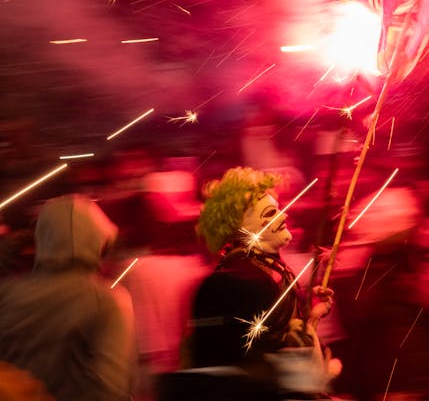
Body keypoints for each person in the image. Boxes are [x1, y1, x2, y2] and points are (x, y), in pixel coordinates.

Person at [160, 167, 337, 401]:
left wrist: (309, 314)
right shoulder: (240, 281)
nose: (283, 216)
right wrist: (312, 382)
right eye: (270, 213)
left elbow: (278, 341)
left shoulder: (260, 271)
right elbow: (257, 362)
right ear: (244, 227)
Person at [0, 194, 136, 401]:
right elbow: (111, 388)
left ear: (41, 238)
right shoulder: (107, 301)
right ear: (98, 241)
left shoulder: (7, 293)